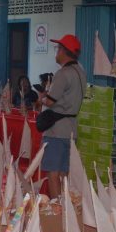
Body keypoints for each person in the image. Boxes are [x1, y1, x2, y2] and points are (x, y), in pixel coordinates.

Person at [40, 33, 86, 197]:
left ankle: (56, 210)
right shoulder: (80, 72)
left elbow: (50, 101)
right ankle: (66, 208)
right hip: (71, 130)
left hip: (56, 131)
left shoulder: (63, 73)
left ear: (64, 51)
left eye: (58, 48)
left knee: (53, 174)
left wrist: (41, 97)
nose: (56, 51)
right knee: (64, 174)